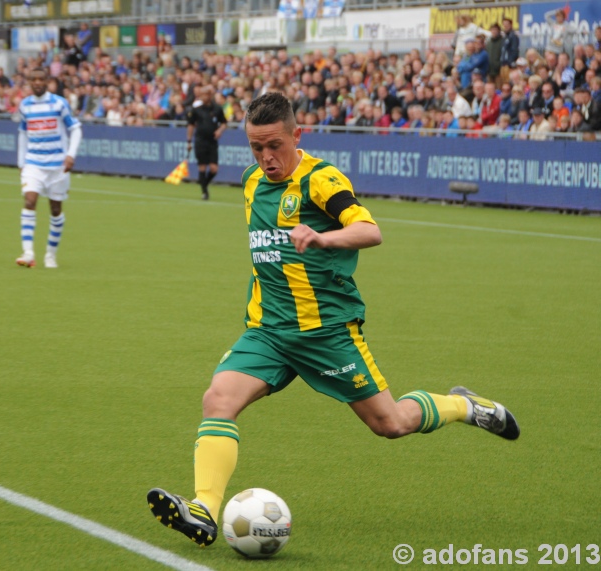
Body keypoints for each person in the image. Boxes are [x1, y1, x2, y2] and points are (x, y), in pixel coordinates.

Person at [146, 92, 520, 547]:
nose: (266, 158)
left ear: (297, 135)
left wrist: (325, 240)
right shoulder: (250, 182)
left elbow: (370, 230)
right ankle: (204, 507)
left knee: (391, 423)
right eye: (256, 148)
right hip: (268, 331)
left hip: (326, 333)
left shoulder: (321, 179)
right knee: (218, 398)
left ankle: (464, 405)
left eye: (275, 146)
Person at [15, 67, 83, 269]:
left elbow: (76, 129)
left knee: (55, 210)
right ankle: (28, 253)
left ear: (47, 81)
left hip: (57, 167)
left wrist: (71, 154)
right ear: (28, 82)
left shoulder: (59, 103)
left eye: (40, 79)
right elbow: (23, 134)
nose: (36, 82)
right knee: (30, 200)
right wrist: (21, 163)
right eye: (32, 79)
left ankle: (50, 255)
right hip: (34, 163)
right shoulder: (25, 106)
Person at [186, 85, 227, 201]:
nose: (203, 97)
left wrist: (219, 131)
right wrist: (189, 141)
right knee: (202, 167)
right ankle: (204, 191)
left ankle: (204, 183)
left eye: (205, 94)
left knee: (214, 168)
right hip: (200, 141)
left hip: (212, 141)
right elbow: (190, 125)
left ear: (210, 95)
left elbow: (224, 123)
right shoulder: (196, 110)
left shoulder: (217, 109)